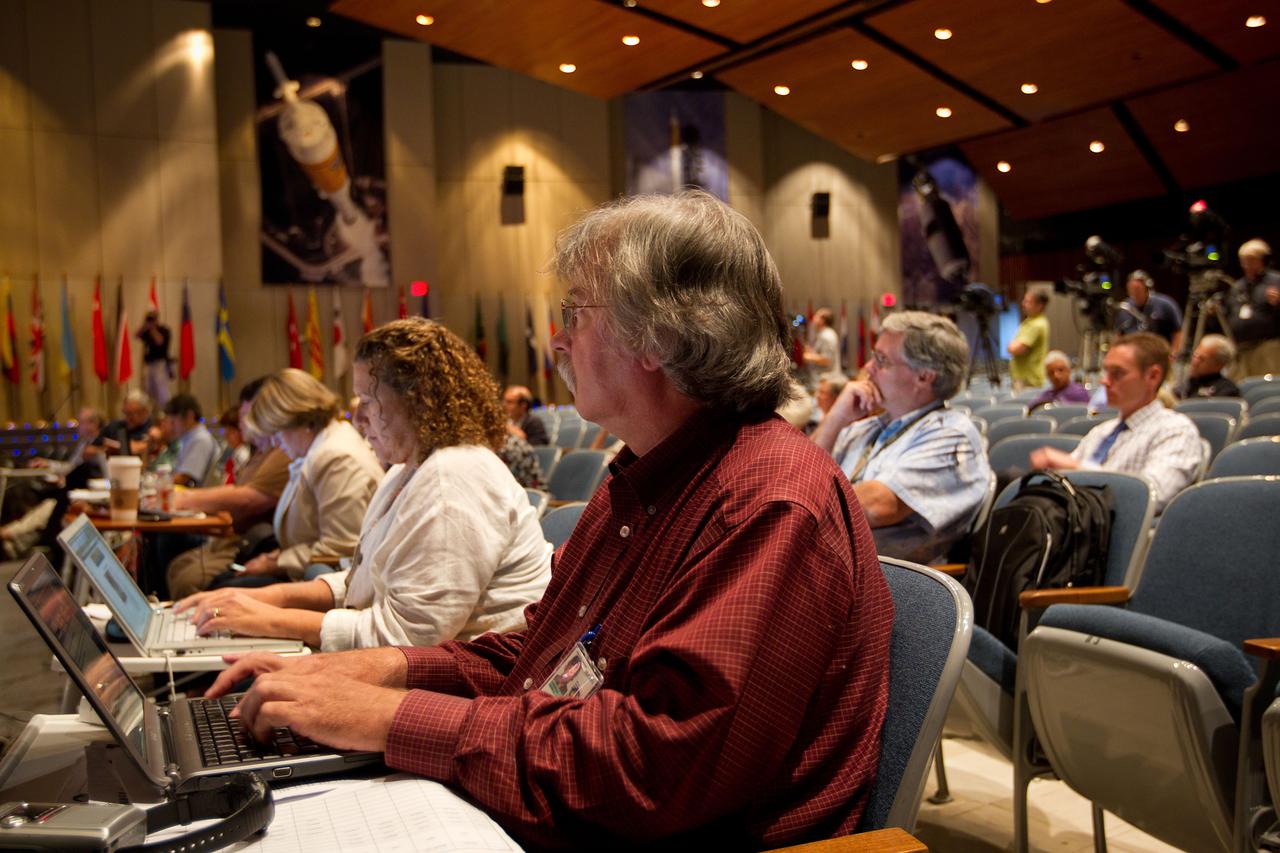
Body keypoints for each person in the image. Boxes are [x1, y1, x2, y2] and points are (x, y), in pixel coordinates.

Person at [205, 190, 893, 849]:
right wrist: (378, 672)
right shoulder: (645, 477)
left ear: (658, 332)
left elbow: (652, 767)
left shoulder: (768, 503)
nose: (557, 339)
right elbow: (540, 660)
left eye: (575, 312)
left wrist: (392, 717)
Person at [176, 319, 552, 651]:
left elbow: (409, 639)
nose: (357, 418)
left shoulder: (452, 479)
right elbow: (365, 584)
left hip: (473, 689)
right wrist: (264, 597)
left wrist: (268, 620)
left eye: (368, 401)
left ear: (418, 401)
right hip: (429, 671)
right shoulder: (410, 469)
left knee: (246, 690)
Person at [813, 311, 991, 564]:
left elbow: (876, 506)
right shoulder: (867, 426)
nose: (867, 368)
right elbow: (796, 473)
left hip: (889, 589)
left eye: (881, 360)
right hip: (831, 567)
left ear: (924, 376)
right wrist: (835, 418)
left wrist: (797, 500)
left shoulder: (951, 434)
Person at [227, 368, 382, 584]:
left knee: (229, 590)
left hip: (327, 583)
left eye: (276, 432)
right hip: (306, 575)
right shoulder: (319, 447)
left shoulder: (336, 458)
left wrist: (277, 562)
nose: (274, 443)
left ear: (300, 420)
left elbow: (341, 547)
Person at [1030, 332, 1203, 514]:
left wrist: (1076, 468)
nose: (1104, 381)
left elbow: (1153, 494)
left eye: (1118, 373)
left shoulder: (1175, 430)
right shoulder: (1102, 431)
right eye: (1106, 371)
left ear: (1153, 376)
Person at [163, 378, 294, 598]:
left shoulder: (280, 451)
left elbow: (249, 498)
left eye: (247, 414)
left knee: (186, 576)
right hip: (236, 538)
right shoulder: (261, 451)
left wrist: (183, 499)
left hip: (252, 544)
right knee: (176, 566)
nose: (243, 422)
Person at [1229, 239, 1280, 378]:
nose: (1246, 265)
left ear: (1263, 260)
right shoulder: (1238, 286)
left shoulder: (1276, 281)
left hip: (1267, 347)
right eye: (1243, 261)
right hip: (1241, 348)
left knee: (1266, 387)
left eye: (1251, 260)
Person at [1114, 270, 1183, 352]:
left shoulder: (1165, 305)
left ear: (1147, 289)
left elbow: (1177, 332)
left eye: (1137, 290)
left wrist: (1174, 353)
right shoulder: (1125, 307)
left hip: (1158, 352)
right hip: (1132, 354)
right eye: (1131, 290)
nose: (1134, 293)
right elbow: (1119, 335)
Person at [160, 394, 218, 487]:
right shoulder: (188, 437)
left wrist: (157, 482)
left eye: (173, 422)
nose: (171, 427)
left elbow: (183, 478)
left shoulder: (201, 439)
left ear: (189, 416)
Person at [1008, 289, 1050, 390]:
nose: (1023, 304)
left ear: (1039, 306)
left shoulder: (1037, 324)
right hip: (1023, 378)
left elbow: (1016, 349)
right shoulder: (1029, 322)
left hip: (1029, 381)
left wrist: (1011, 346)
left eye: (1028, 301)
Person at [1175, 334, 1240, 399]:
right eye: (1195, 356)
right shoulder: (1188, 384)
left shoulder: (1227, 390)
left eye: (1202, 359)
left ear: (1218, 365)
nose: (1195, 362)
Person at [101, 390, 154, 458]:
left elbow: (138, 448)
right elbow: (95, 444)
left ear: (145, 412)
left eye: (131, 414)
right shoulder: (114, 426)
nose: (127, 418)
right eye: (125, 413)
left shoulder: (152, 428)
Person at [136, 310, 172, 406]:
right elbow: (137, 335)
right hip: (149, 364)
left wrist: (152, 329)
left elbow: (159, 341)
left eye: (152, 319)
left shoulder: (164, 330)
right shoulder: (146, 331)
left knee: (161, 390)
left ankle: (166, 410)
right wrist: (144, 326)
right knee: (148, 389)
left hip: (160, 363)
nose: (150, 321)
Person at [803, 307, 841, 389]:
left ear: (822, 320)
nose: (813, 318)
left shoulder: (827, 335)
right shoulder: (822, 334)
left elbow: (827, 360)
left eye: (817, 315)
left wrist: (809, 357)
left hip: (826, 382)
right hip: (821, 381)